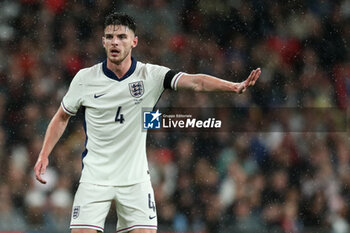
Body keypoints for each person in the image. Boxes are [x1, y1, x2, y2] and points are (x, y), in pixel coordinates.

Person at [34, 12, 261, 233]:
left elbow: (197, 82)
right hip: (95, 179)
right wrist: (44, 154)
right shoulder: (85, 79)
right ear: (103, 41)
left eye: (122, 37)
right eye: (110, 37)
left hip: (135, 181)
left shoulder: (150, 75)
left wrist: (233, 86)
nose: (115, 42)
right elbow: (62, 116)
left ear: (134, 41)